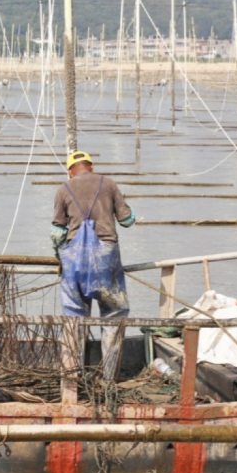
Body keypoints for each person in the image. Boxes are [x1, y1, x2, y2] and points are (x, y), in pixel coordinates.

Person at [51, 151, 136, 380]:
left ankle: (72, 378)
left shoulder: (63, 188)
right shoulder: (108, 183)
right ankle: (109, 378)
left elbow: (57, 232)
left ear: (70, 170)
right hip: (106, 256)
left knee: (74, 316)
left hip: (75, 259)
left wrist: (58, 253)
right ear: (91, 166)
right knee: (113, 313)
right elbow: (127, 220)